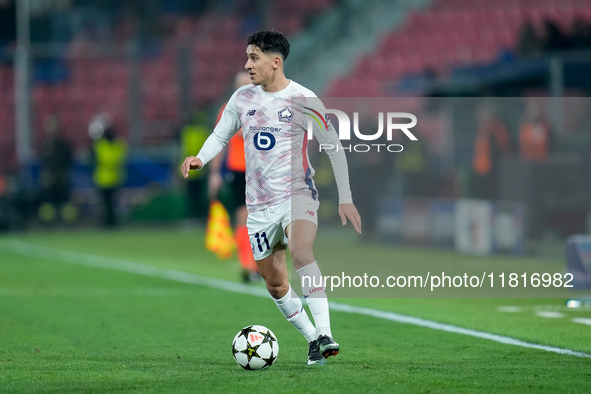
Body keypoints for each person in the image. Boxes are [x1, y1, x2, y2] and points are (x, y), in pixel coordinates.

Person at [181, 30, 361, 365]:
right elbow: (220, 134)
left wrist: (346, 197)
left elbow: (334, 148)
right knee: (275, 284)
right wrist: (200, 158)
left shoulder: (305, 99)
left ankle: (325, 333)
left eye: (253, 58)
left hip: (297, 195)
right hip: (259, 206)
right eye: (248, 57)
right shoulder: (241, 99)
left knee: (302, 251)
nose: (247, 65)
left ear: (275, 62)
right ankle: (312, 340)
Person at [208, 71, 260, 282]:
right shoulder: (228, 110)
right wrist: (214, 173)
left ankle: (260, 263)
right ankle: (248, 264)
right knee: (244, 217)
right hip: (240, 170)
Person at [92, 123, 127, 228]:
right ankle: (107, 222)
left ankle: (110, 222)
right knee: (107, 204)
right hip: (107, 179)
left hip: (109, 178)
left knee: (110, 204)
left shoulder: (101, 145)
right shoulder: (113, 145)